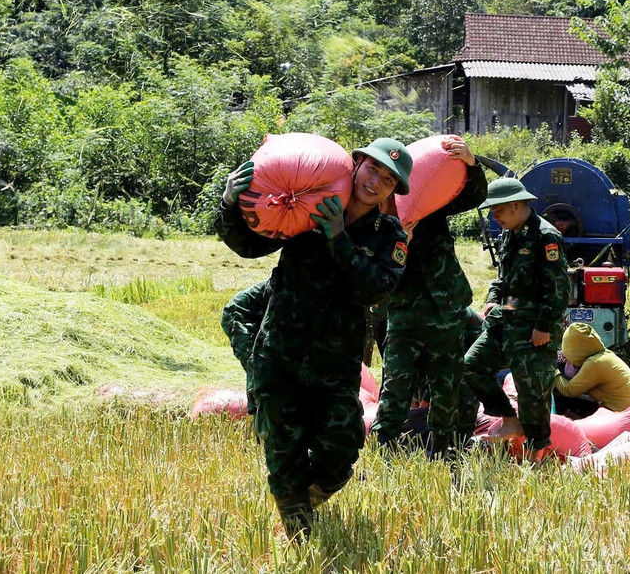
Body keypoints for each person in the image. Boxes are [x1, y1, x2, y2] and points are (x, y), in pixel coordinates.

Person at [217, 137, 412, 541]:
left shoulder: (389, 235)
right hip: (281, 355)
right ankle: (299, 537)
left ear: (394, 190)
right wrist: (229, 204)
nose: (376, 182)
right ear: (356, 164)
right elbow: (251, 244)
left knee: (340, 453)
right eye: (373, 169)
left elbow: (376, 289)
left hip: (335, 364)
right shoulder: (309, 206)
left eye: (388, 180)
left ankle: (308, 498)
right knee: (284, 458)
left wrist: (339, 238)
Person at [371, 135, 487, 461]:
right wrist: (400, 242)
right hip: (403, 315)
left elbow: (471, 196)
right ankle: (382, 456)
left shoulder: (428, 204)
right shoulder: (371, 220)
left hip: (444, 311)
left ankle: (445, 455)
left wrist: (471, 164)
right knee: (395, 389)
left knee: (446, 389)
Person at [461, 177, 570, 457]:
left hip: (534, 328)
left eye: (498, 211)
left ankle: (536, 456)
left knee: (532, 391)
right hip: (506, 320)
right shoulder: (510, 234)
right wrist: (492, 299)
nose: (495, 217)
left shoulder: (545, 236)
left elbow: (559, 289)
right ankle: (509, 418)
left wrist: (544, 326)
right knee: (471, 364)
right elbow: (503, 279)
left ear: (516, 205)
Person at [553, 322, 630, 412]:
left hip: (624, 415)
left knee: (562, 401)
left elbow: (568, 390)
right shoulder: (605, 355)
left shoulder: (594, 363)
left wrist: (553, 369)